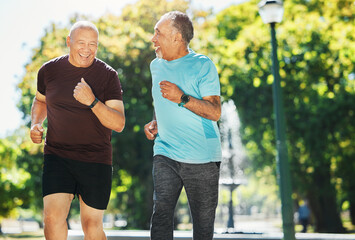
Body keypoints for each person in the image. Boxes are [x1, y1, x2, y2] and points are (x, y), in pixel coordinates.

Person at [30, 21, 125, 240]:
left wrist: (92, 101)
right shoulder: (49, 70)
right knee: (52, 218)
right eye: (81, 42)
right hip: (57, 156)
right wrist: (36, 124)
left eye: (93, 44)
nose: (87, 49)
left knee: (91, 226)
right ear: (69, 42)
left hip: (95, 158)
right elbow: (40, 101)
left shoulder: (107, 75)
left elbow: (119, 123)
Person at [144, 11, 222, 240]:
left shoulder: (203, 65)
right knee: (161, 215)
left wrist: (182, 98)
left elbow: (215, 112)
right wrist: (156, 122)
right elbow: (159, 100)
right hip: (166, 151)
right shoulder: (155, 66)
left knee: (203, 227)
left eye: (158, 33)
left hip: (203, 158)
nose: (153, 38)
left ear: (177, 37)